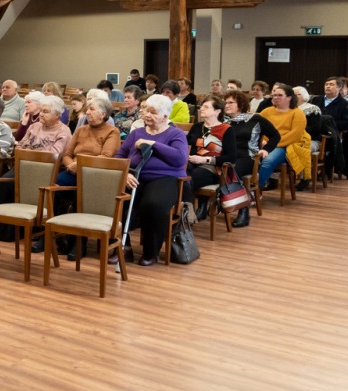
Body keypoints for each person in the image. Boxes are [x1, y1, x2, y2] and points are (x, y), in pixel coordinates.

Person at [117, 94, 189, 266]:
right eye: (146, 111)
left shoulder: (176, 134)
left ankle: (151, 251)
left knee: (153, 204)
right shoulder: (136, 133)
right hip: (134, 177)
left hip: (165, 178)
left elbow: (180, 158)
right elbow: (119, 156)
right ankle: (123, 248)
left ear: (165, 116)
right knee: (114, 199)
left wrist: (152, 144)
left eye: (153, 112)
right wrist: (125, 174)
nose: (147, 115)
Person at [50, 96, 121, 257]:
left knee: (81, 194)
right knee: (53, 187)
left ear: (103, 114)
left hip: (94, 175)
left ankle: (78, 243)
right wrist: (70, 165)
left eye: (92, 109)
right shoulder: (81, 130)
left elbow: (106, 157)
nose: (87, 112)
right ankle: (52, 235)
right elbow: (67, 154)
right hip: (74, 172)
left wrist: (80, 165)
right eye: (88, 109)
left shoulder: (112, 131)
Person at [222, 89, 280, 228]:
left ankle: (244, 210)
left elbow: (275, 136)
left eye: (231, 103)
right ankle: (206, 205)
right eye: (225, 103)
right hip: (226, 156)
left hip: (248, 157)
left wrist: (265, 149)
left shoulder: (255, 119)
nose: (227, 105)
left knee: (233, 170)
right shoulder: (222, 120)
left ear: (241, 104)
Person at [184, 96, 236, 221]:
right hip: (191, 163)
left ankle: (185, 214)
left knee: (186, 180)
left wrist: (205, 160)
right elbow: (186, 146)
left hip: (212, 168)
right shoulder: (197, 126)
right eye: (201, 106)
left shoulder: (226, 129)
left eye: (206, 107)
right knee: (179, 175)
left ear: (217, 111)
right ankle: (185, 211)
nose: (201, 109)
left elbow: (231, 157)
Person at [258, 84, 311, 191]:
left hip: (285, 146)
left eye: (280, 95)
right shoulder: (266, 111)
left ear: (289, 97)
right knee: (246, 159)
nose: (276, 97)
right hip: (264, 144)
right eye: (274, 95)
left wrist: (271, 144)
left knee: (267, 161)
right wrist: (262, 140)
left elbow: (294, 135)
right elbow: (257, 129)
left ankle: (254, 189)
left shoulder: (297, 113)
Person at [311, 76, 348, 179]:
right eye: (326, 84)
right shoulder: (315, 100)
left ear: (339, 87)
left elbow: (346, 123)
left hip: (332, 134)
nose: (328, 87)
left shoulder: (345, 104)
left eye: (331, 84)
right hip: (314, 132)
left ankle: (327, 171)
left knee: (331, 140)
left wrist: (328, 124)